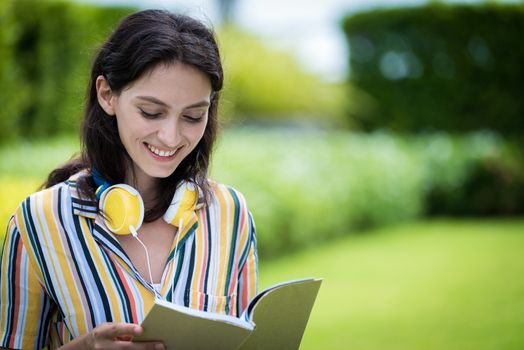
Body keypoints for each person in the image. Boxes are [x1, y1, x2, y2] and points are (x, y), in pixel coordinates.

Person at [0, 9, 258, 350]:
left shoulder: (230, 212)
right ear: (107, 95)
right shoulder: (40, 220)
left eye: (193, 116)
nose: (170, 137)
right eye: (151, 112)